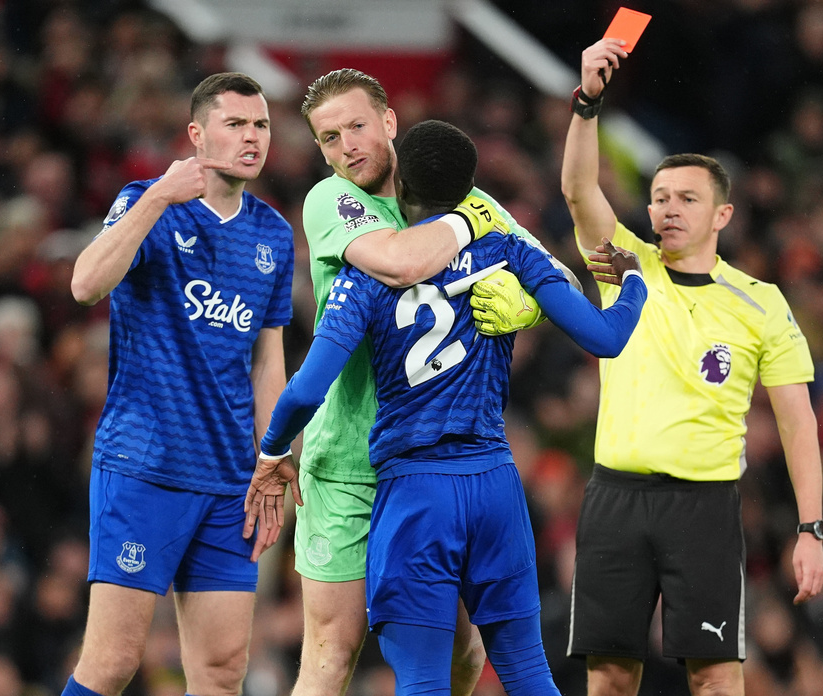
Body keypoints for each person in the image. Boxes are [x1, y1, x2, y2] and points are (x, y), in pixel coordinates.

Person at [246, 118, 647, 696]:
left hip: (415, 494)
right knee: (529, 674)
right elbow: (606, 339)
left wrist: (272, 449)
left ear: (399, 183)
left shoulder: (365, 275)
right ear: (471, 190)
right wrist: (633, 282)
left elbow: (307, 389)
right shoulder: (507, 247)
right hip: (495, 487)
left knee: (422, 681)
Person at [560, 39, 823, 696]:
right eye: (658, 197)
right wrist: (588, 102)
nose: (668, 209)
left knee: (715, 681)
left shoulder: (760, 303)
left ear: (722, 215)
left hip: (703, 507)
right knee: (612, 682)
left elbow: (797, 423)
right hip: (614, 499)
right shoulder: (625, 267)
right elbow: (575, 190)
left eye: (685, 198)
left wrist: (811, 528)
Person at [64, 72, 298, 696]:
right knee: (113, 663)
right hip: (145, 467)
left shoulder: (273, 234)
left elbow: (266, 361)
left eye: (262, 125)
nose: (253, 138)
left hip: (230, 482)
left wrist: (272, 457)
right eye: (236, 124)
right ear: (197, 135)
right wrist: (158, 198)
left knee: (223, 672)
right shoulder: (149, 202)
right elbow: (86, 283)